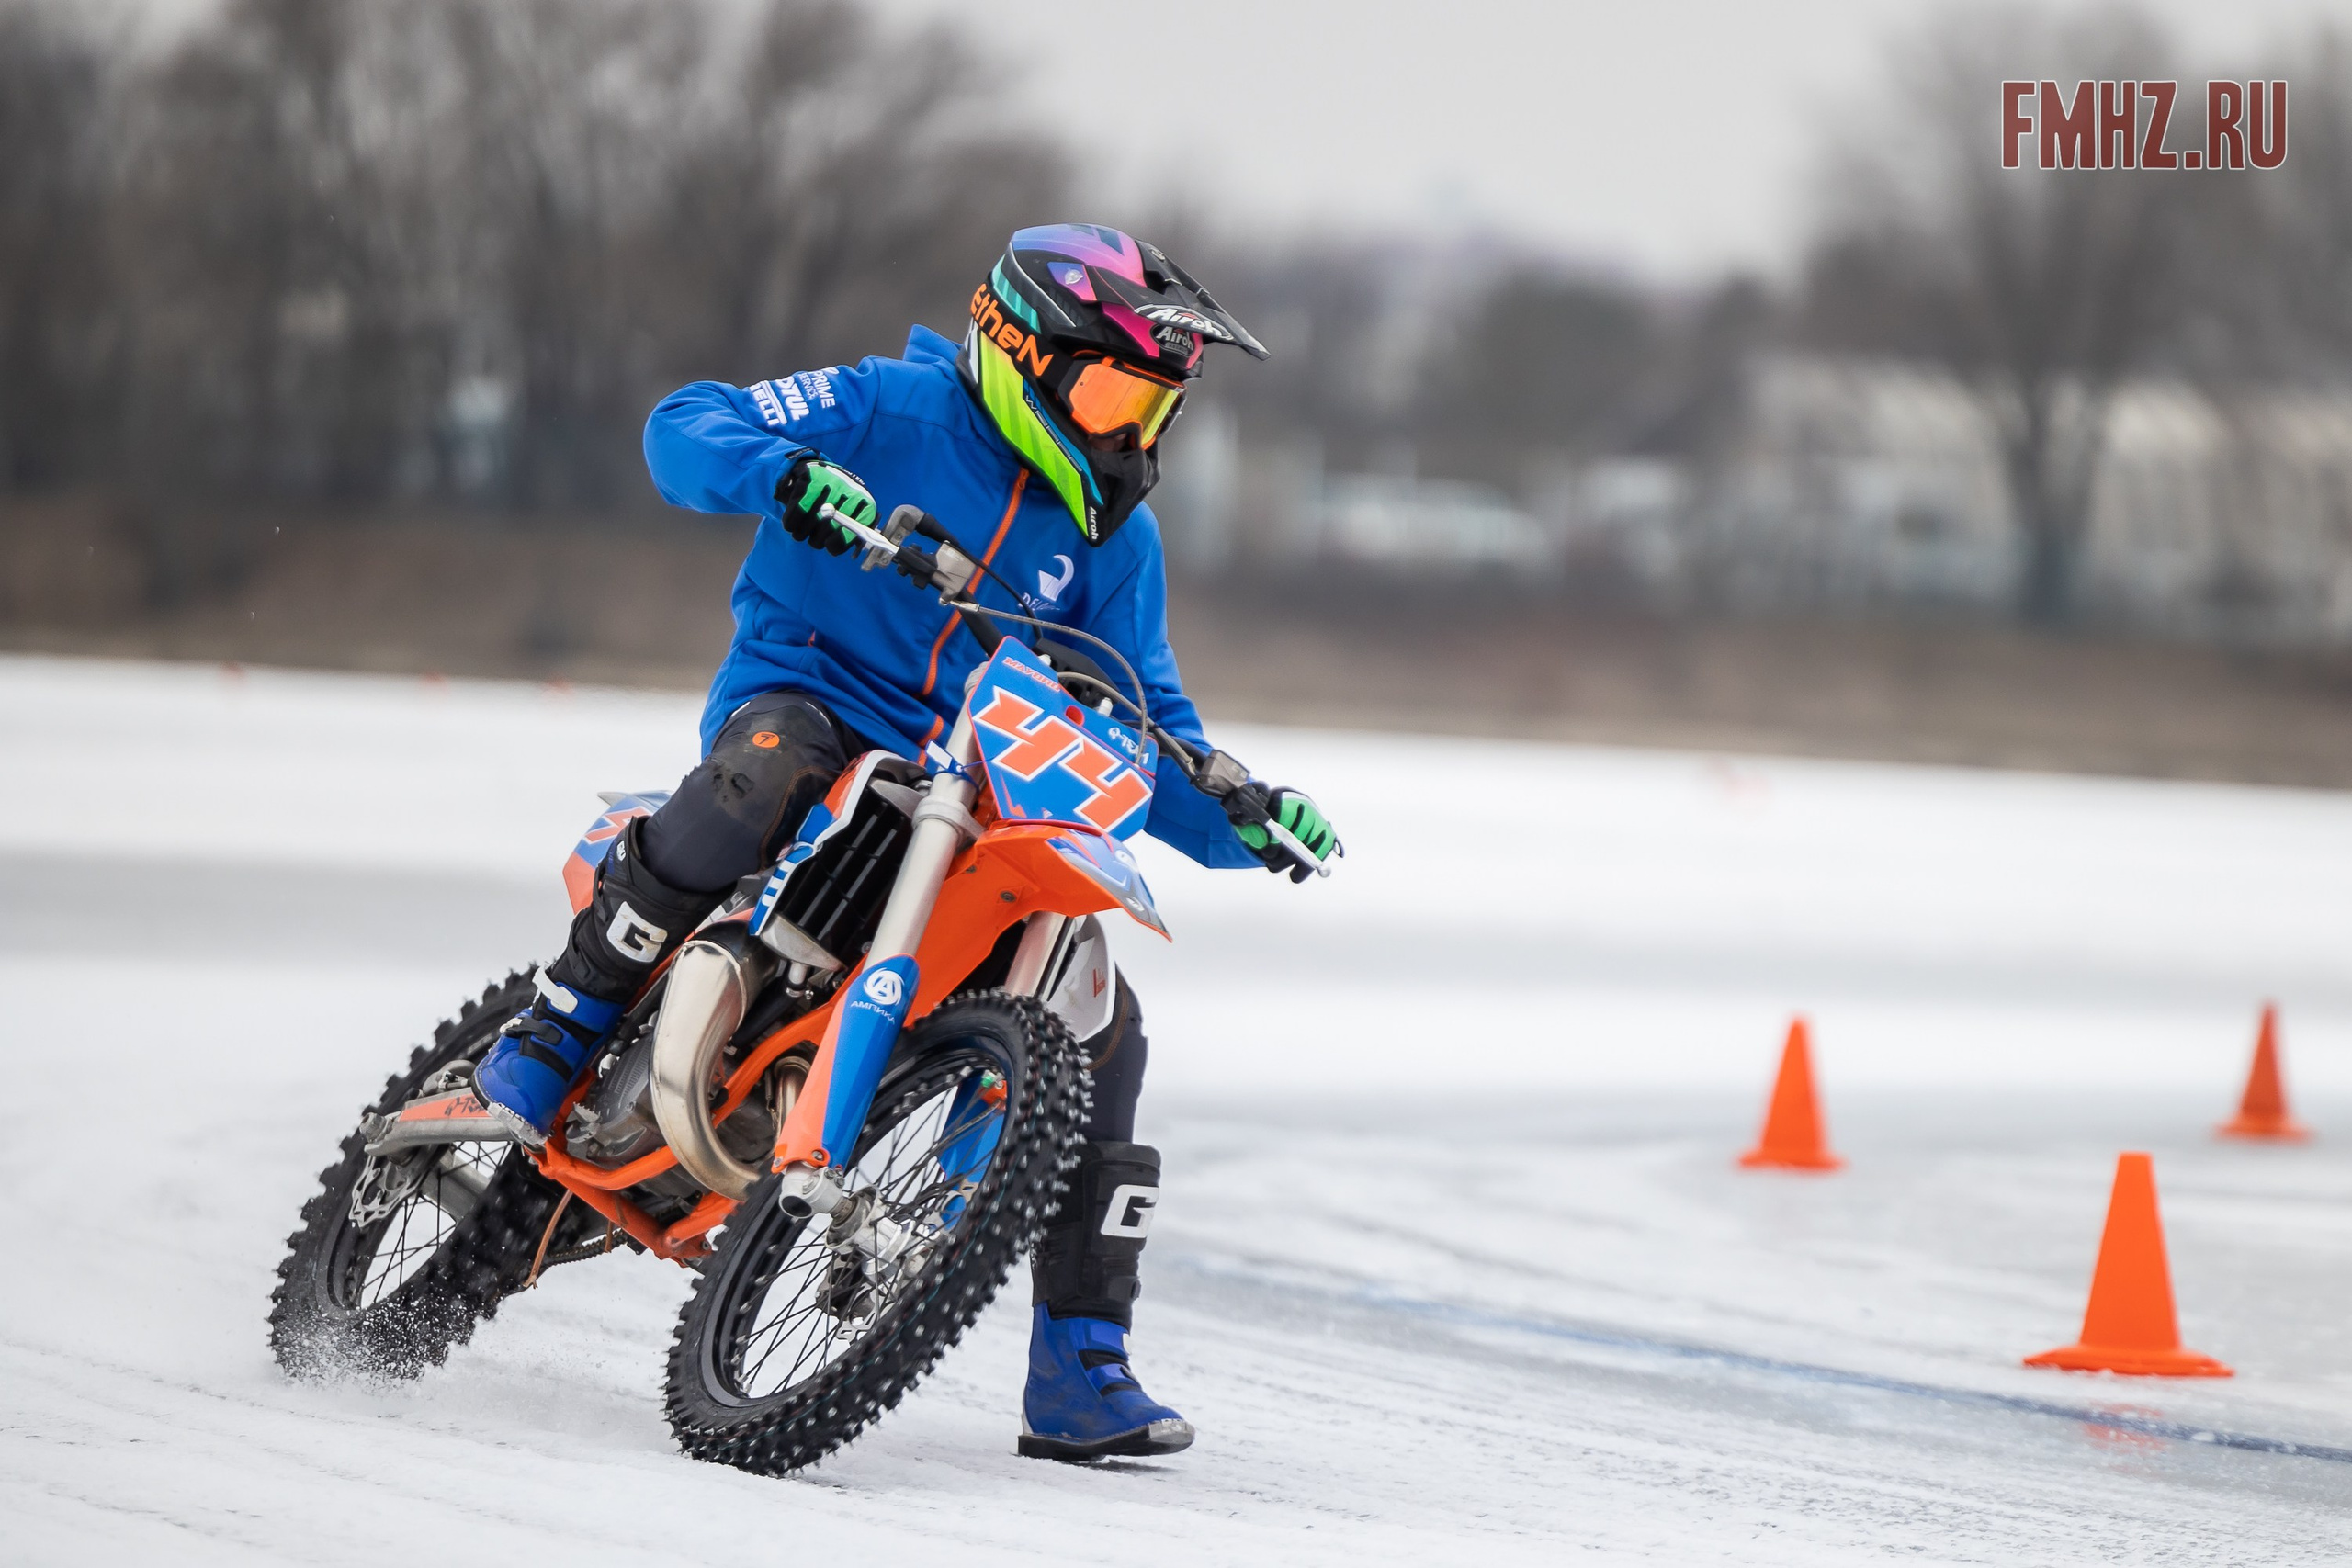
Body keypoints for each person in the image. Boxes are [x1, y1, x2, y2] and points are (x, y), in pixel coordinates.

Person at [470, 224, 1339, 1461]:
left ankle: (1080, 1365)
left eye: (1151, 408)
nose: (1125, 430)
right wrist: (782, 477)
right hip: (807, 699)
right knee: (772, 765)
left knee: (1106, 1013)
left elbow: (1144, 721)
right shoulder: (886, 405)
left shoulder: (1113, 542)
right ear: (1016, 349)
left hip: (973, 782)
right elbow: (687, 425)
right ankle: (555, 1034)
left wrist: (1245, 811)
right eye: (1108, 390)